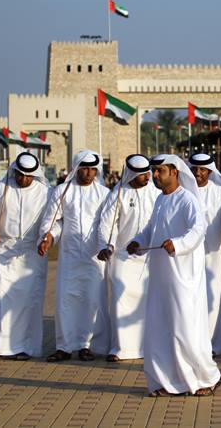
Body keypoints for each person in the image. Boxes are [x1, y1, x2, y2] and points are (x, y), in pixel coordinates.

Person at [127, 154, 221, 397]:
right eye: (154, 171)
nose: (155, 176)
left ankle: (206, 378)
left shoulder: (187, 199)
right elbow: (152, 229)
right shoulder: (160, 200)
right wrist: (138, 241)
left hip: (183, 277)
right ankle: (168, 382)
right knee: (161, 329)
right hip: (160, 277)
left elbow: (198, 230)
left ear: (175, 172)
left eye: (160, 171)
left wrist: (178, 244)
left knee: (185, 329)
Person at [38, 150, 110, 362]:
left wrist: (106, 245)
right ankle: (64, 346)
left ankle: (87, 345)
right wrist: (48, 236)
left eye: (92, 169)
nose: (88, 173)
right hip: (69, 255)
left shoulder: (104, 194)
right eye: (84, 168)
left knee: (92, 300)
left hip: (94, 256)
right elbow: (53, 220)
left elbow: (107, 224)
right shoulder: (62, 191)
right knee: (65, 301)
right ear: (77, 168)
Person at [0, 152, 50, 361]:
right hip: (3, 250)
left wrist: (48, 237)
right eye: (20, 175)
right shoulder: (2, 188)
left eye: (28, 176)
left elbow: (54, 220)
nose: (23, 179)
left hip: (32, 251)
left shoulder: (46, 192)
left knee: (29, 300)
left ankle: (25, 347)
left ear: (35, 174)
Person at [97, 154, 159, 362]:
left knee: (147, 302)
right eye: (143, 174)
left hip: (150, 257)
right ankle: (121, 348)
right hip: (123, 256)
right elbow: (108, 223)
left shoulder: (156, 192)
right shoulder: (119, 193)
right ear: (132, 174)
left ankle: (147, 346)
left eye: (148, 173)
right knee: (120, 300)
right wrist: (108, 244)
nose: (147, 177)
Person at [188, 153, 221, 356]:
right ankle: (192, 345)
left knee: (212, 300)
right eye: (195, 169)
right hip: (187, 256)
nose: (198, 173)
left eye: (202, 170)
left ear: (210, 171)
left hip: (212, 255)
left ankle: (212, 345)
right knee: (189, 299)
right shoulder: (184, 189)